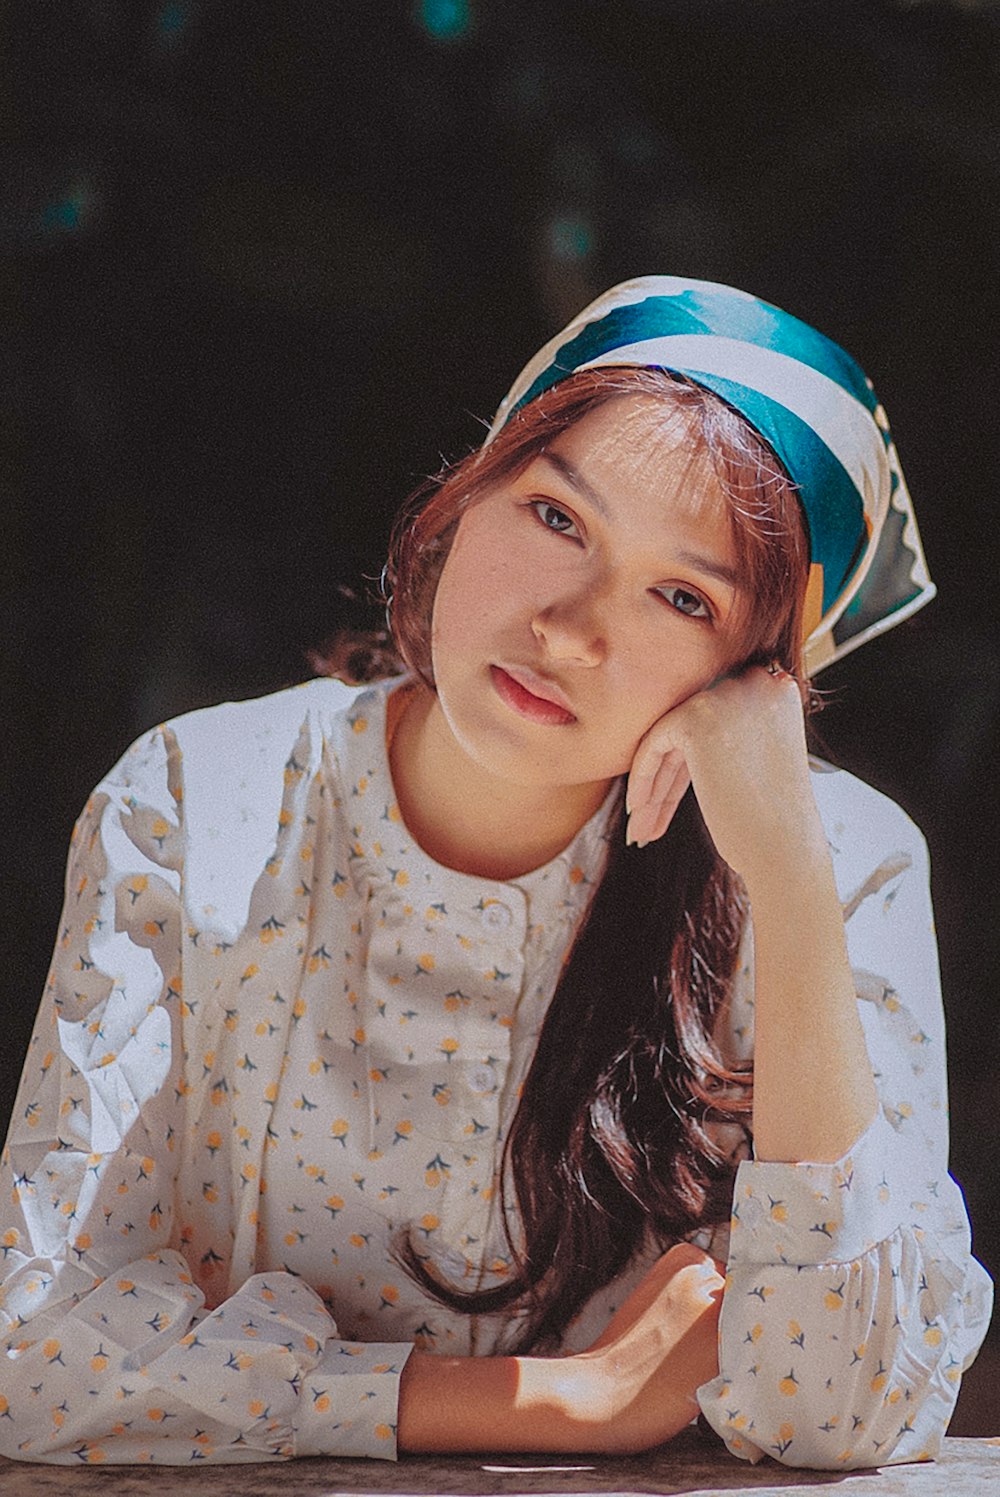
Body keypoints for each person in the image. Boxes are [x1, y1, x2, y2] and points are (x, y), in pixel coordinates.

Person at [0, 276, 991, 1470]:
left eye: (682, 596)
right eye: (557, 519)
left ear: (758, 674)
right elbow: (31, 1350)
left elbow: (844, 1406)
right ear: (466, 496)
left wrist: (784, 868)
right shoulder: (199, 803)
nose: (570, 628)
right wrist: (565, 1402)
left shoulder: (842, 863)